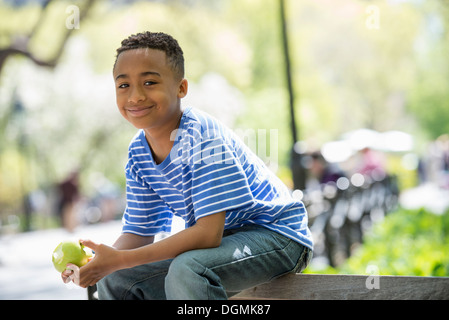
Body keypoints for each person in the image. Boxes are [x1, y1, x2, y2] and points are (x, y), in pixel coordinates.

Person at [62, 31, 313, 299]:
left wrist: (119, 259)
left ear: (181, 88)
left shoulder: (201, 137)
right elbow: (138, 233)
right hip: (224, 245)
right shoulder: (138, 152)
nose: (135, 96)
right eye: (123, 86)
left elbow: (207, 235)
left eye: (149, 82)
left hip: (277, 237)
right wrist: (101, 261)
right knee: (116, 277)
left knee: (189, 270)